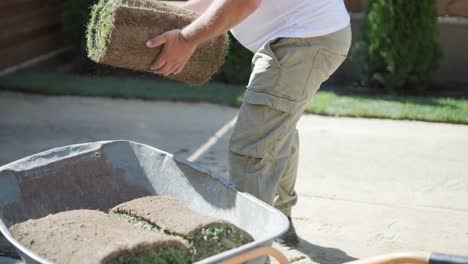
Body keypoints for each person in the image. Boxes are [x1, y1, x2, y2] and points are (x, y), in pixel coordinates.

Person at [146, 0, 351, 246]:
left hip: (303, 39)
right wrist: (165, 13)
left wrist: (186, 39)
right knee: (275, 130)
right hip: (307, 36)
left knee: (251, 151)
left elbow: (244, 2)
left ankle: (250, 254)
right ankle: (278, 218)